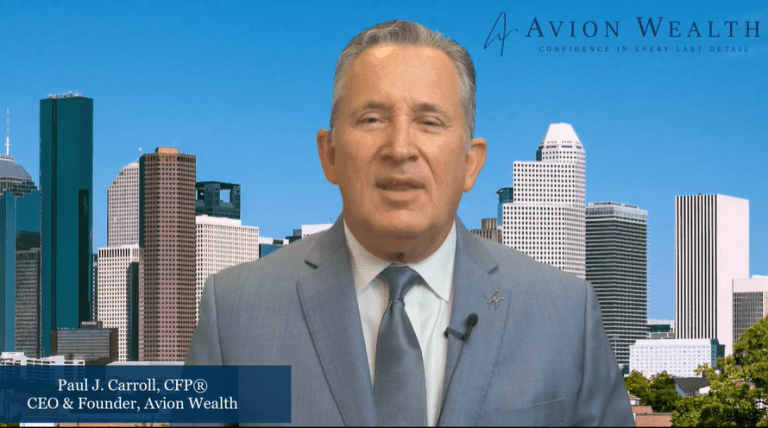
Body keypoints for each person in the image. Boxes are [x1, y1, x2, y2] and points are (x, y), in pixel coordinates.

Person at [186, 20, 635, 426]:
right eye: (372, 119)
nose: (400, 148)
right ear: (331, 155)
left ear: (470, 163)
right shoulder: (233, 313)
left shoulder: (566, 314)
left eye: (429, 121)